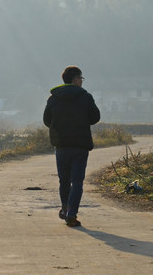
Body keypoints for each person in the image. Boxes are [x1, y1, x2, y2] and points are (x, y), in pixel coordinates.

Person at [43, 66, 101, 227]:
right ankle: (72, 214)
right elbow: (95, 117)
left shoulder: (53, 98)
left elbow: (47, 121)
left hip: (61, 145)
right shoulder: (85, 97)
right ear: (75, 80)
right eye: (81, 79)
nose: (82, 82)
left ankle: (64, 207)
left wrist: (59, 127)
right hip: (80, 146)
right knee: (77, 182)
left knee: (64, 180)